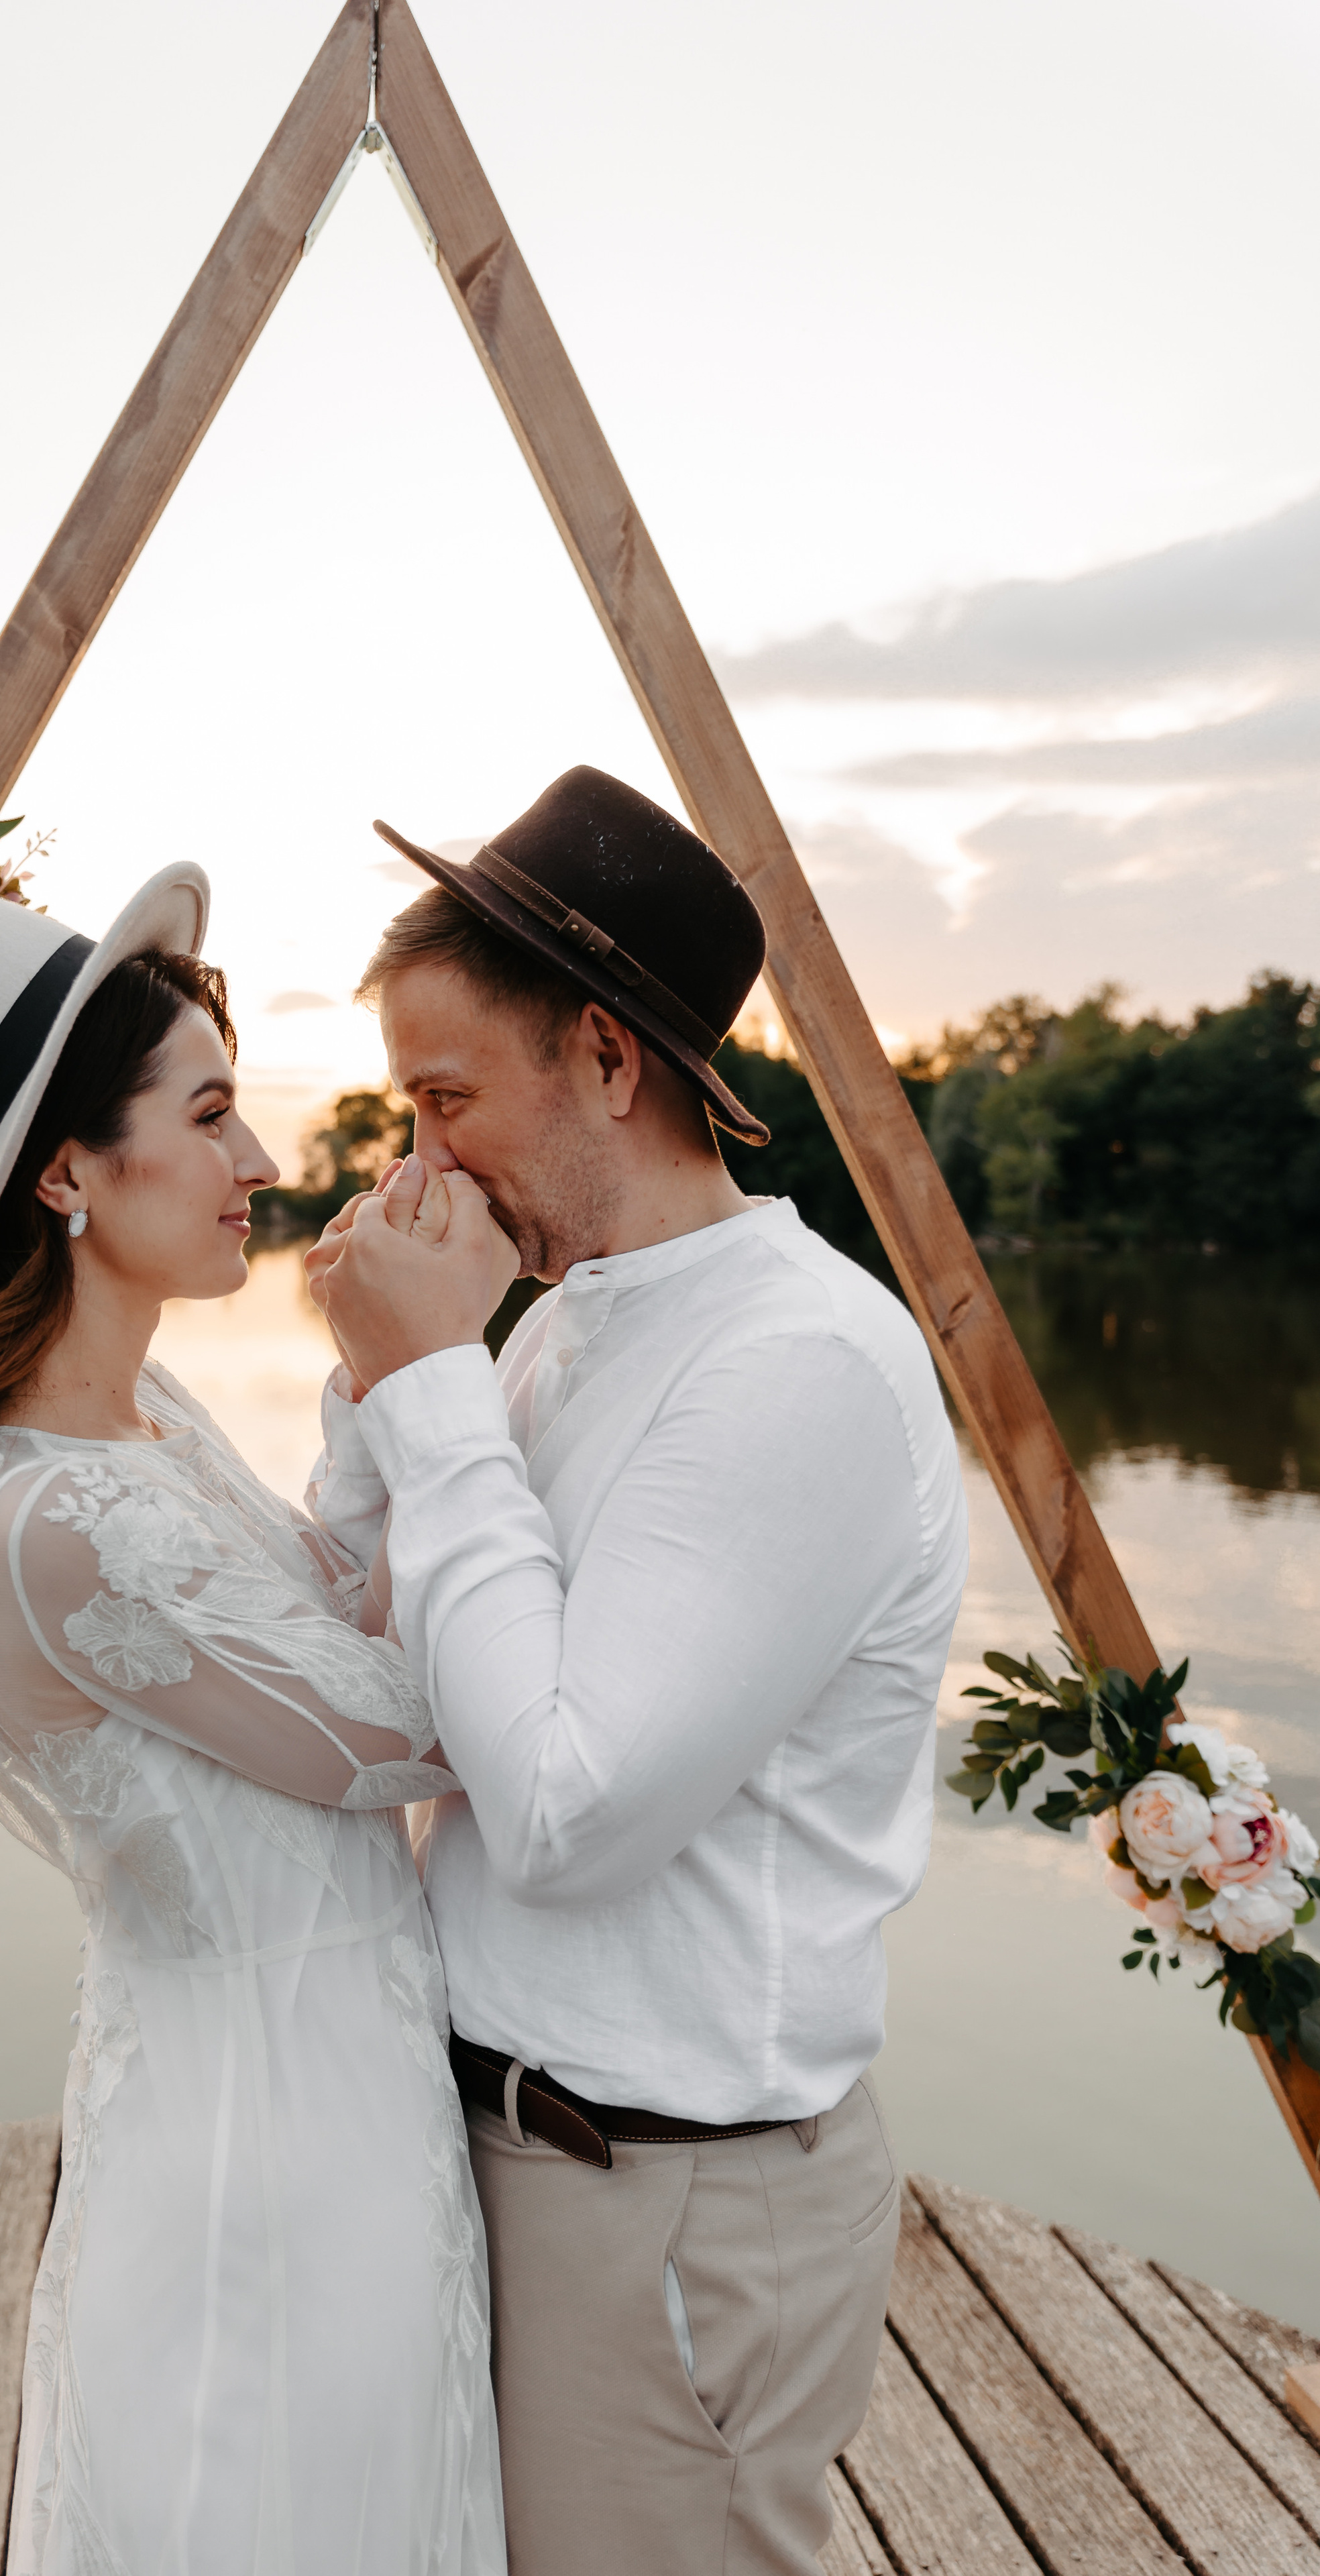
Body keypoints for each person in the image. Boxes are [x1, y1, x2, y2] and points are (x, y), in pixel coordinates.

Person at [308, 767, 969, 2576]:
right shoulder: (560, 1333)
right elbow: (392, 1687)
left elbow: (563, 1813)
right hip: (518, 2153)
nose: (423, 1160)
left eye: (446, 1100)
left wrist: (436, 1386)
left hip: (674, 2197)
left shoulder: (799, 1368)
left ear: (607, 1061)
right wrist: (388, 1396)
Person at [0, 866, 506, 2576]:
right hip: (262, 2149)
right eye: (210, 1114)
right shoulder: (59, 1523)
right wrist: (437, 1379)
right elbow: (416, 1733)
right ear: (66, 1168)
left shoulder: (152, 1423)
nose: (263, 1166)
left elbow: (336, 1620)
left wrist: (363, 1393)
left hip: (339, 2105)